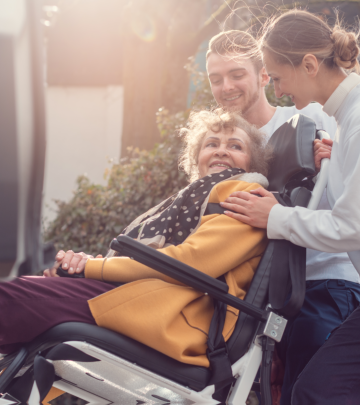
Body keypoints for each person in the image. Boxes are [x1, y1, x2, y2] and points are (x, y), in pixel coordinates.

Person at [0, 109, 272, 369]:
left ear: (253, 162)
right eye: (212, 143)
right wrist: (83, 266)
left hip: (174, 316)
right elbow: (133, 258)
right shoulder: (187, 200)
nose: (222, 150)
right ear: (197, 157)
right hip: (143, 299)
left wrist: (92, 269)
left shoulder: (246, 195)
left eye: (236, 146)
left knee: (7, 298)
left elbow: (190, 262)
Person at [207, 29, 360, 405]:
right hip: (264, 293)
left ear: (263, 74)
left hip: (322, 280)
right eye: (215, 78)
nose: (226, 86)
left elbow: (350, 223)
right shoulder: (219, 144)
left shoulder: (312, 114)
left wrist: (274, 214)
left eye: (237, 74)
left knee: (314, 390)